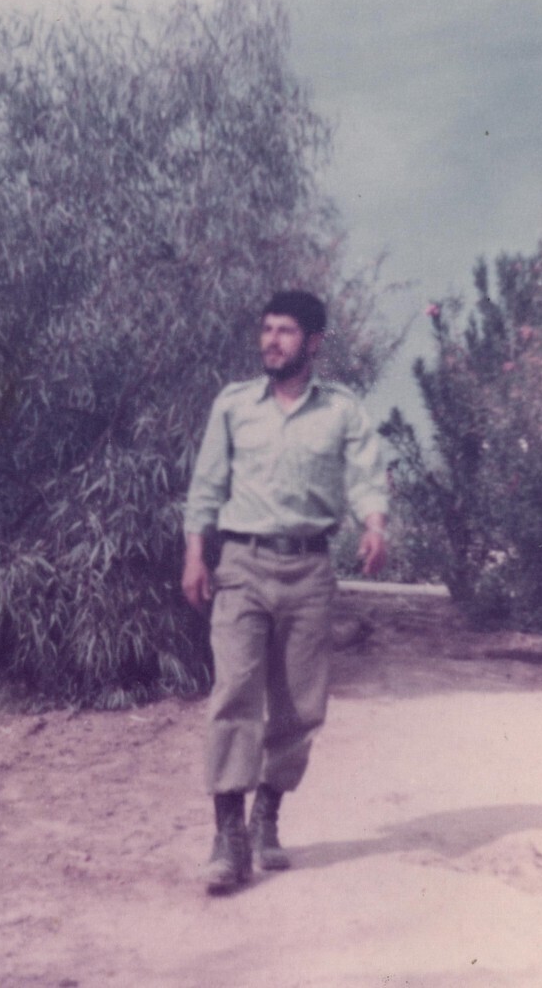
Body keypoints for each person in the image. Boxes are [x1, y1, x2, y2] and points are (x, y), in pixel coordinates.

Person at [182, 290, 388, 894]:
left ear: (314, 342)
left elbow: (366, 475)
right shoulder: (234, 405)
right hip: (241, 565)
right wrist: (195, 554)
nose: (272, 341)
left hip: (309, 571)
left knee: (301, 707)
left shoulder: (342, 410)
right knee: (234, 694)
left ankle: (266, 813)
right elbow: (206, 485)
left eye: (286, 331)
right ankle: (227, 837)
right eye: (267, 329)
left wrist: (374, 526)